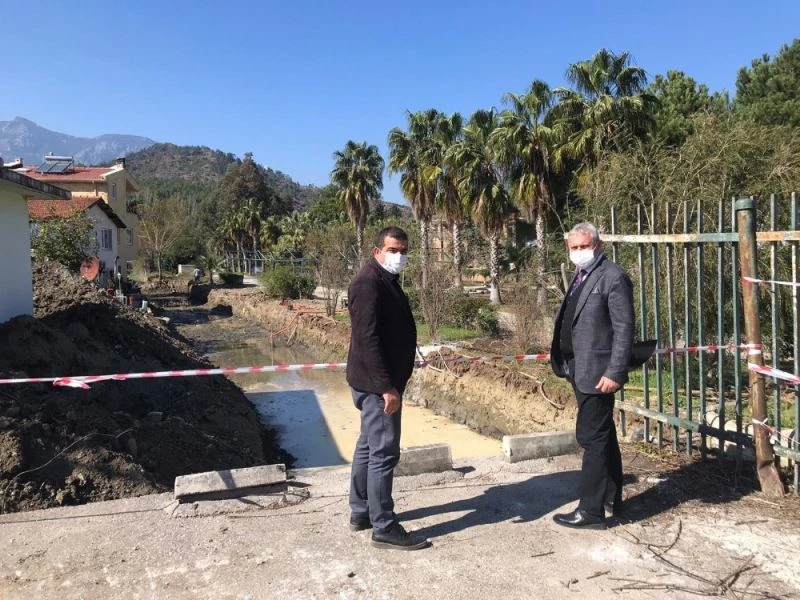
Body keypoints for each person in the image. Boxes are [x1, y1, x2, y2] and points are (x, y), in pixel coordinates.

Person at [346, 226, 428, 550]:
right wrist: (387, 388)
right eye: (393, 250)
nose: (399, 256)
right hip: (377, 385)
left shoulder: (384, 280)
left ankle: (361, 511)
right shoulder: (368, 284)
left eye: (403, 251)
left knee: (368, 445)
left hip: (372, 382)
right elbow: (367, 340)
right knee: (384, 452)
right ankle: (384, 526)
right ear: (377, 251)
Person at [550, 222, 634, 530]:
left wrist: (615, 371)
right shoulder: (581, 274)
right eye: (574, 248)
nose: (579, 252)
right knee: (603, 432)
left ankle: (591, 511)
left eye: (584, 246)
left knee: (592, 437)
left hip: (599, 373)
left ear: (598, 245)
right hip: (578, 368)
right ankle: (611, 495)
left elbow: (624, 329)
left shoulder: (613, 276)